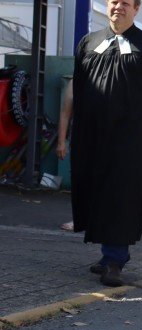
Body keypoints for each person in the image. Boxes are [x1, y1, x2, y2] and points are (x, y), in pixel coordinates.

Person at [70, 0, 142, 287]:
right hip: (92, 137)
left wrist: (141, 134)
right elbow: (78, 86)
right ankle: (105, 253)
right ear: (107, 3)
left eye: (125, 4)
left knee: (122, 197)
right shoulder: (88, 43)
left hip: (130, 142)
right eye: (114, 2)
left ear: (136, 9)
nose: (118, 7)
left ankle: (116, 259)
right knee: (97, 193)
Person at [56, 79, 75, 232]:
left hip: (108, 140)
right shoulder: (75, 82)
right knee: (80, 179)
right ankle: (79, 218)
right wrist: (61, 142)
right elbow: (65, 114)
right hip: (81, 138)